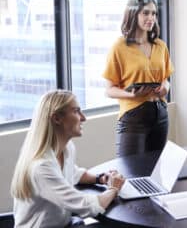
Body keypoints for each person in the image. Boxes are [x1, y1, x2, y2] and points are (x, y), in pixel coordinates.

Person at [11, 90, 125, 228]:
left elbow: (73, 173)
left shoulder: (66, 148)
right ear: (57, 118)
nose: (83, 118)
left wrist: (100, 178)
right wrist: (114, 188)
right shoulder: (41, 167)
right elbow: (88, 207)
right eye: (76, 111)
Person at [103, 0, 174, 157]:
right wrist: (131, 95)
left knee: (155, 170)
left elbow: (165, 79)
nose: (151, 18)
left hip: (160, 114)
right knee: (129, 170)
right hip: (133, 116)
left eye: (154, 14)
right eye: (146, 13)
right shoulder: (119, 47)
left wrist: (165, 88)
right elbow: (109, 89)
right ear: (134, 14)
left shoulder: (160, 46)